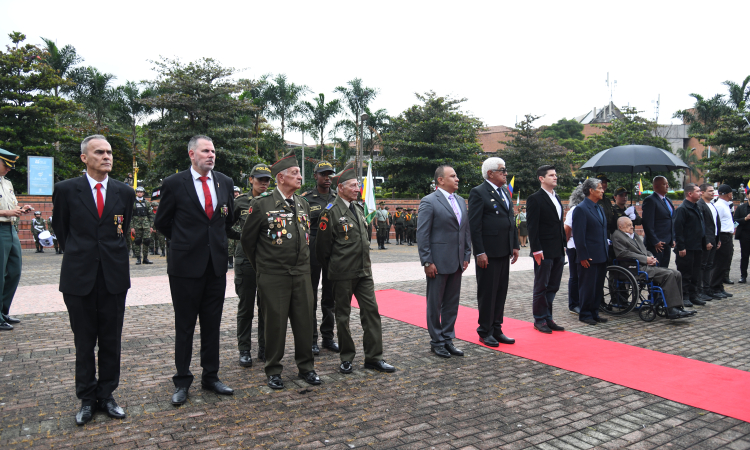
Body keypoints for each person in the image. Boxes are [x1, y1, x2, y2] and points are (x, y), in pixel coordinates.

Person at [52, 135, 135, 425]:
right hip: (79, 277)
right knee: (84, 342)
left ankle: (107, 395)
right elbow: (62, 230)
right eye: (99, 152)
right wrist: (83, 254)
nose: (106, 156)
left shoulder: (124, 192)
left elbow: (121, 232)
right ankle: (87, 399)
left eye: (109, 152)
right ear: (84, 158)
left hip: (113, 277)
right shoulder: (66, 190)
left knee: (111, 341)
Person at [153, 135, 239, 406]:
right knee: (185, 326)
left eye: (213, 150)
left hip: (216, 266)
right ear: (191, 154)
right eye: (205, 151)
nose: (211, 155)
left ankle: (210, 376)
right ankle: (182, 381)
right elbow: (163, 222)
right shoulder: (173, 183)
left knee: (212, 325)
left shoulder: (224, 182)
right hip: (185, 267)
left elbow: (227, 219)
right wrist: (186, 242)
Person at [240, 150, 319, 390]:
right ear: (281, 178)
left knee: (305, 322)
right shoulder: (261, 205)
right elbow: (247, 242)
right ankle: (273, 369)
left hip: (302, 274)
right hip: (274, 276)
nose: (300, 177)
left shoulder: (303, 204)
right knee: (275, 325)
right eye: (295, 173)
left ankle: (307, 367)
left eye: (299, 173)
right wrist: (263, 269)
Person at [315, 163, 395, 374]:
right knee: (343, 316)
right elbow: (322, 249)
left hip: (364, 272)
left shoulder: (358, 209)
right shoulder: (330, 212)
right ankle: (347, 357)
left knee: (372, 312)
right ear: (340, 187)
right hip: (342, 274)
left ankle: (374, 357)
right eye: (352, 185)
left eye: (358, 185)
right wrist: (334, 269)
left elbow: (364, 239)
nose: (357, 188)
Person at [416, 165, 471, 358]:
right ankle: (437, 341)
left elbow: (465, 230)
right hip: (437, 262)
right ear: (440, 180)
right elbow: (422, 234)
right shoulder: (429, 201)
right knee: (435, 303)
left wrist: (466, 255)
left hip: (456, 261)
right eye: (453, 176)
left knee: (451, 303)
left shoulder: (460, 201)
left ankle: (448, 339)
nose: (457, 179)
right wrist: (427, 261)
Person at [468, 157, 519, 347]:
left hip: (503, 249)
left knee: (500, 291)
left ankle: (497, 328)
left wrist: (514, 245)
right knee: (488, 292)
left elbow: (510, 220)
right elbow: (475, 225)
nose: (506, 173)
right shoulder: (478, 192)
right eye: (502, 170)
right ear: (490, 173)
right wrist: (479, 251)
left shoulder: (504, 191)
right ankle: (485, 330)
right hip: (488, 252)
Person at [612, 217, 693, 319]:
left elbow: (644, 250)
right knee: (669, 275)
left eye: (632, 224)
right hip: (633, 268)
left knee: (677, 273)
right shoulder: (618, 236)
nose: (632, 227)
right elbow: (623, 254)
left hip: (645, 265)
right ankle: (672, 309)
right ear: (620, 226)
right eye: (629, 225)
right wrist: (645, 259)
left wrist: (651, 257)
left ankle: (678, 306)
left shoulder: (634, 235)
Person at [232, 164, 271, 368]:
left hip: (267, 260)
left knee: (265, 307)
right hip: (246, 259)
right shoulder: (240, 202)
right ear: (251, 180)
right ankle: (244, 350)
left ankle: (264, 348)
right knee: (246, 307)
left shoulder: (273, 202)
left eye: (267, 180)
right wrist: (243, 237)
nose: (263, 183)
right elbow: (225, 226)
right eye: (259, 179)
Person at [300, 161, 339, 356]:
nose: (327, 177)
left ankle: (328, 337)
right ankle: (312, 339)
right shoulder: (306, 199)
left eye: (329, 174)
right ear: (315, 176)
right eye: (323, 174)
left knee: (330, 297)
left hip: (332, 248)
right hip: (313, 246)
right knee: (311, 296)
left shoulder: (337, 197)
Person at [526, 165, 566, 334]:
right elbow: (532, 226)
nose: (555, 177)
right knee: (541, 286)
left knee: (553, 286)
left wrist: (563, 244)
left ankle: (548, 317)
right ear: (541, 179)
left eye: (555, 175)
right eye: (551, 175)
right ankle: (539, 319)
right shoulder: (535, 198)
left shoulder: (556, 197)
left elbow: (559, 224)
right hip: (543, 250)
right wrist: (536, 249)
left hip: (558, 249)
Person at [0, 149, 35, 331]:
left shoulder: (7, 183)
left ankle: (3, 311)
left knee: (14, 271)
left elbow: (11, 205)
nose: (9, 169)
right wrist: (6, 213)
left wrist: (21, 208)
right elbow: (5, 210)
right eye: (6, 165)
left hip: (10, 229)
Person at [572, 178, 609, 326]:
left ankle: (594, 312)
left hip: (601, 254)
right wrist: (582, 255)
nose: (602, 190)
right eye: (599, 188)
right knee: (587, 287)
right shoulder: (581, 209)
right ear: (591, 190)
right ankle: (585, 313)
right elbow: (579, 235)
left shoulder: (598, 208)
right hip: (588, 256)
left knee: (598, 287)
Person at [673, 183, 707, 307]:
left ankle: (693, 295)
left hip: (697, 246)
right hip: (687, 247)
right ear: (690, 194)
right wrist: (681, 247)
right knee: (686, 273)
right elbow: (678, 229)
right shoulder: (683, 209)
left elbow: (701, 226)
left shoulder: (696, 206)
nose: (700, 193)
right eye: (698, 191)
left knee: (695, 273)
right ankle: (684, 296)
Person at [641, 176, 676, 268]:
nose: (667, 186)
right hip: (657, 244)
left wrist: (673, 238)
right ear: (656, 186)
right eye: (664, 184)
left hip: (667, 242)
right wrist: (655, 241)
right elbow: (647, 223)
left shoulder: (668, 200)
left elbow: (671, 220)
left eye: (667, 184)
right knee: (656, 270)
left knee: (665, 269)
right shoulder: (650, 200)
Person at [697, 184, 723, 299]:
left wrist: (718, 239)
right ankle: (701, 290)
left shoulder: (712, 205)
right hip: (706, 240)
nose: (713, 193)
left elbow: (715, 224)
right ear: (702, 192)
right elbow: (703, 225)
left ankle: (707, 289)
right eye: (710, 191)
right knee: (703, 265)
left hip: (714, 238)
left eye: (713, 191)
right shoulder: (700, 205)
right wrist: (706, 241)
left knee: (709, 265)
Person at [710, 184, 735, 298]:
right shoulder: (719, 205)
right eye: (731, 193)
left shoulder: (726, 205)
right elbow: (715, 223)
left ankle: (719, 286)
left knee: (725, 263)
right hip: (723, 236)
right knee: (719, 263)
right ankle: (714, 287)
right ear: (728, 194)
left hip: (728, 236)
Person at [564, 185, 585, 315]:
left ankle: (581, 301)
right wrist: (566, 244)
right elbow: (567, 229)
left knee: (582, 276)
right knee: (575, 276)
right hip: (574, 246)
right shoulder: (574, 210)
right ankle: (573, 304)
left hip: (582, 246)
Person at [131, 186, 154, 265]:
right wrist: (131, 227)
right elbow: (130, 216)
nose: (139, 193)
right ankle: (138, 258)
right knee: (137, 241)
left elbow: (151, 215)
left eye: (141, 192)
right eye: (138, 192)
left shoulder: (147, 203)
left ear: (143, 193)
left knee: (147, 241)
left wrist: (151, 226)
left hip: (146, 225)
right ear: (136, 193)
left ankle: (145, 258)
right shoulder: (133, 203)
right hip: (136, 225)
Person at [735, 196, 750, 284]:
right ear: (748, 196)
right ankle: (743, 276)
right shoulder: (741, 208)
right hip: (745, 236)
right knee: (744, 256)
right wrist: (745, 219)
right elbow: (734, 222)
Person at [227, 186, 242, 269]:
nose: (236, 193)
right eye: (234, 192)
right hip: (231, 227)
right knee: (229, 246)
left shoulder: (241, 202)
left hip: (238, 227)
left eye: (237, 192)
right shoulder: (228, 202)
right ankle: (230, 262)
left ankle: (237, 261)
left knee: (238, 245)